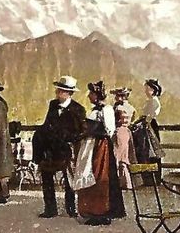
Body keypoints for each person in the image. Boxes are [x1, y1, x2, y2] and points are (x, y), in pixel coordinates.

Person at [71, 81, 126, 225]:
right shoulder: (94, 110)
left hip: (101, 147)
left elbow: (109, 130)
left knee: (100, 176)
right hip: (90, 145)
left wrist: (93, 132)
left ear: (97, 95)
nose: (89, 96)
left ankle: (101, 212)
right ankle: (90, 210)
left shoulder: (106, 110)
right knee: (88, 173)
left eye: (91, 93)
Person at [32, 75, 86, 218]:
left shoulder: (78, 109)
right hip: (51, 149)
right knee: (46, 176)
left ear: (69, 93)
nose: (57, 93)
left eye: (61, 91)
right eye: (57, 90)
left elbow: (80, 131)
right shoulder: (53, 105)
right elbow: (47, 124)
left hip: (67, 150)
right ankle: (50, 209)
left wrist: (66, 138)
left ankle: (71, 209)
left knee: (69, 180)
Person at [132, 78, 165, 183]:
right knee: (145, 150)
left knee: (152, 150)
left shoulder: (154, 101)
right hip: (145, 125)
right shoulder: (150, 101)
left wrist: (143, 122)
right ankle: (148, 178)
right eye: (146, 89)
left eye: (148, 89)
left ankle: (155, 178)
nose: (146, 91)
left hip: (150, 126)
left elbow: (150, 115)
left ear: (153, 90)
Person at [113, 107, 137, 190]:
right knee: (119, 165)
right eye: (123, 118)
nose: (125, 120)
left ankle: (126, 184)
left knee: (124, 165)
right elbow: (117, 144)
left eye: (127, 118)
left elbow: (129, 143)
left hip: (124, 152)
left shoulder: (127, 131)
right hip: (118, 151)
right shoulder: (117, 131)